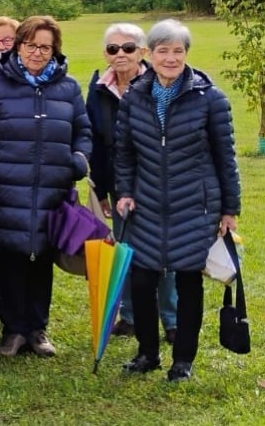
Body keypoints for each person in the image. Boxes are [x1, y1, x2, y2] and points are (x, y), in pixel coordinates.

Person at [114, 19, 240, 382]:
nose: (170, 58)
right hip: (147, 203)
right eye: (162, 51)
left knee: (188, 281)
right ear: (148, 55)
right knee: (142, 281)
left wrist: (229, 209)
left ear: (186, 54)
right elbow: (124, 153)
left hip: (195, 206)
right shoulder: (135, 97)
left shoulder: (211, 99)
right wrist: (124, 192)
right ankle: (147, 353)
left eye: (178, 51)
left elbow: (225, 158)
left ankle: (182, 360)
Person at [0, 15, 91, 358]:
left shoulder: (67, 88)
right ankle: (13, 330)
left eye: (45, 47)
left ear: (55, 50)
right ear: (19, 46)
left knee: (41, 262)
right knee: (11, 262)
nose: (37, 53)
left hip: (52, 193)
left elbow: (83, 131)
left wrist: (79, 159)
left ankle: (37, 329)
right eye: (31, 45)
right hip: (7, 192)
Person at [86, 23, 177, 341]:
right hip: (117, 182)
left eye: (128, 48)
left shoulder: (160, 84)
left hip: (156, 181)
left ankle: (171, 319)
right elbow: (96, 142)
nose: (120, 54)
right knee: (124, 249)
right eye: (113, 48)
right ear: (105, 53)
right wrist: (99, 190)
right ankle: (129, 315)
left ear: (143, 52)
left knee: (164, 252)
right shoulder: (98, 88)